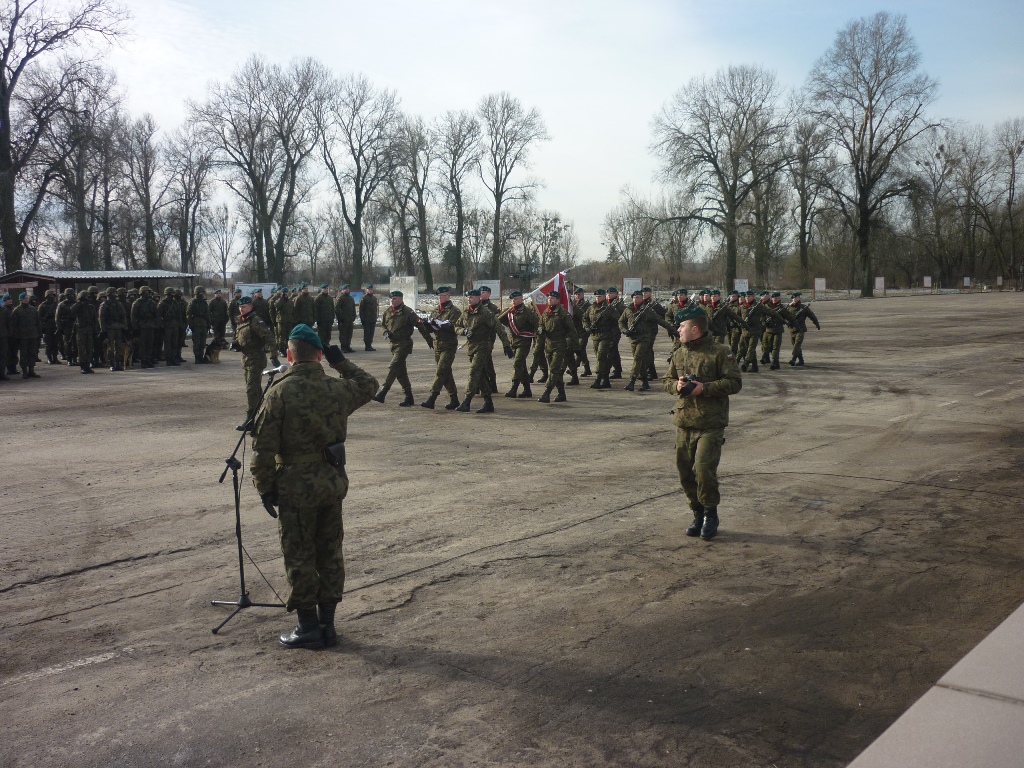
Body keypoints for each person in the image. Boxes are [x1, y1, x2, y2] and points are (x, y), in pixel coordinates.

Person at [250, 323, 379, 649]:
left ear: (289, 355)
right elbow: (369, 384)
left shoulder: (279, 392)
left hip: (294, 487)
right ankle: (328, 625)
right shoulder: (337, 388)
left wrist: (265, 488)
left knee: (299, 555)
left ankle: (308, 627)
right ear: (320, 355)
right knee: (330, 553)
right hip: (331, 483)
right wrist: (341, 362)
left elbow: (263, 450)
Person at [664, 305, 742, 541]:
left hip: (710, 422)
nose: (678, 330)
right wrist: (676, 386)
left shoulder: (720, 352)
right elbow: (667, 380)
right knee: (685, 472)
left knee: (703, 470)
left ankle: (710, 514)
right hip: (684, 422)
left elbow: (734, 382)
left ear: (695, 329)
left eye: (682, 326)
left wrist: (704, 388)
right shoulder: (679, 353)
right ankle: (697, 513)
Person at [453, 288, 511, 413]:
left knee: (474, 372)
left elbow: (499, 328)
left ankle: (466, 401)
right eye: (468, 297)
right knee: (481, 375)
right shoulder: (466, 312)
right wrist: (463, 331)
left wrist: (506, 345)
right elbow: (456, 326)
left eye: (472, 297)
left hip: (483, 347)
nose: (469, 299)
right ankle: (488, 403)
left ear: (478, 298)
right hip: (471, 347)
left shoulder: (486, 313)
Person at [372, 290, 433, 406]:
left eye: (394, 298)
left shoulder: (408, 312)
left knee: (394, 366)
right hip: (393, 345)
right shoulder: (388, 311)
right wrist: (385, 331)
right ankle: (409, 397)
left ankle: (383, 392)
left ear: (400, 299)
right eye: (391, 299)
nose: (392, 300)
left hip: (404, 344)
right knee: (400, 372)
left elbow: (420, 325)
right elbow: (382, 325)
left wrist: (430, 341)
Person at [619, 290, 673, 392]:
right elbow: (621, 321)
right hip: (633, 338)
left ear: (641, 299)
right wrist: (624, 330)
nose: (636, 299)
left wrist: (673, 331)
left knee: (638, 357)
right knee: (640, 361)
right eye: (634, 297)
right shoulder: (628, 310)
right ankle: (645, 382)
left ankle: (632, 381)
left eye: (638, 297)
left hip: (644, 338)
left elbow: (660, 321)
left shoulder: (647, 310)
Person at [420, 285, 462, 410]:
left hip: (449, 345)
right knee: (446, 373)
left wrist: (441, 325)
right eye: (439, 296)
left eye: (443, 296)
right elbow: (431, 329)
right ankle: (454, 399)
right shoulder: (435, 311)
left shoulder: (455, 311)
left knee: (441, 371)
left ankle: (432, 398)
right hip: (438, 344)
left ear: (448, 296)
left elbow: (455, 327)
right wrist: (427, 325)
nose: (440, 298)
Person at [235, 295, 273, 430]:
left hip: (256, 359)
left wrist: (274, 355)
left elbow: (269, 337)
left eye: (244, 307)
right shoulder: (241, 321)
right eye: (240, 307)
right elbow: (242, 337)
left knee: (251, 389)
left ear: (250, 307)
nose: (241, 309)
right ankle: (265, 413)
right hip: (246, 359)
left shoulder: (256, 320)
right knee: (255, 389)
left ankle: (250, 419)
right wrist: (236, 344)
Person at [536, 290, 578, 403]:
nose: (550, 300)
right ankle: (561, 393)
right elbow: (541, 323)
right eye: (549, 298)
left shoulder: (563, 313)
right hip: (549, 345)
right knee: (556, 371)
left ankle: (547, 393)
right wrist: (540, 329)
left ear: (558, 300)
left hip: (560, 344)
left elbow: (572, 330)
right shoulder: (546, 312)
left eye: (552, 298)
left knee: (554, 369)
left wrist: (574, 345)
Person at [498, 289, 539, 398]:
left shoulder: (527, 312)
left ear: (521, 299)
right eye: (512, 299)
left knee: (517, 363)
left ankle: (514, 388)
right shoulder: (509, 311)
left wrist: (537, 340)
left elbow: (537, 325)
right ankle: (527, 389)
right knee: (521, 365)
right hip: (514, 342)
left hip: (524, 341)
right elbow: (498, 321)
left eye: (516, 299)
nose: (513, 301)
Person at [583, 289, 618, 389]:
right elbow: (585, 319)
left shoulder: (610, 308)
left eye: (600, 296)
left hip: (606, 336)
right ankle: (606, 379)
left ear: (604, 297)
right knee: (601, 359)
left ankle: (598, 379)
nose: (598, 298)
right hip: (595, 336)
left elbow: (618, 321)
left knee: (601, 356)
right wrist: (586, 327)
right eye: (596, 296)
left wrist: (614, 334)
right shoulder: (591, 308)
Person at [10, 292, 41, 379]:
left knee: (32, 353)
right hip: (22, 336)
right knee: (24, 354)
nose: (26, 300)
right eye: (24, 298)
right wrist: (16, 336)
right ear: (21, 300)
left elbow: (38, 322)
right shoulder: (17, 310)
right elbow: (13, 325)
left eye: (27, 298)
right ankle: (24, 371)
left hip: (33, 335)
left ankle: (31, 370)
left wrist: (39, 334)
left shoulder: (33, 310)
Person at [787, 292, 820, 366]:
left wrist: (816, 324)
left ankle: (793, 359)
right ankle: (801, 360)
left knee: (797, 344)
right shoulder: (789, 308)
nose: (794, 299)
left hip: (800, 328)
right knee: (795, 345)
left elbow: (812, 316)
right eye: (793, 298)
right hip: (792, 329)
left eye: (796, 297)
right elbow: (784, 316)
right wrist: (787, 322)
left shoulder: (803, 308)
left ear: (799, 298)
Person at [99, 287, 127, 371]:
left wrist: (124, 326)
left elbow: (123, 316)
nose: (115, 294)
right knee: (110, 347)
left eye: (115, 292)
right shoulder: (105, 304)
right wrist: (103, 329)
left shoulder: (119, 304)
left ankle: (118, 363)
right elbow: (101, 317)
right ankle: (112, 363)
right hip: (109, 328)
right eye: (113, 293)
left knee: (119, 346)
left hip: (118, 327)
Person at [71, 290, 98, 374]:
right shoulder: (78, 306)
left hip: (89, 329)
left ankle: (88, 365)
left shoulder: (91, 307)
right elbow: (72, 310)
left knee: (89, 348)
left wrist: (96, 330)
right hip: (81, 329)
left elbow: (95, 319)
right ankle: (83, 366)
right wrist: (79, 302)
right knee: (81, 349)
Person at [131, 286, 159, 368]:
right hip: (142, 326)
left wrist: (156, 325)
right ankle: (143, 361)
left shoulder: (152, 303)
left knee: (150, 344)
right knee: (142, 345)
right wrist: (135, 327)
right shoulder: (137, 303)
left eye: (148, 292)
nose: (147, 293)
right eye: (145, 292)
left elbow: (156, 315)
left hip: (151, 326)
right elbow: (133, 316)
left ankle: (149, 359)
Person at [188, 286, 212, 364]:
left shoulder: (204, 302)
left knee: (203, 342)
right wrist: (191, 325)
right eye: (200, 293)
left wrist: (209, 324)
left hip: (204, 324)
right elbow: (189, 314)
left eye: (202, 293)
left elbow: (207, 314)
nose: (202, 294)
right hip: (196, 324)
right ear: (196, 293)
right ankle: (197, 357)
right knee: (197, 342)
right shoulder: (193, 302)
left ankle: (201, 357)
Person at [332, 284, 356, 352]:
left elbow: (353, 308)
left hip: (350, 319)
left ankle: (348, 346)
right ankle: (343, 347)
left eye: (348, 288)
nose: (347, 290)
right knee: (343, 334)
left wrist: (353, 316)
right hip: (343, 320)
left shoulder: (351, 298)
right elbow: (336, 308)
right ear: (342, 290)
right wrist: (340, 318)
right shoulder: (340, 298)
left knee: (349, 333)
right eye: (345, 289)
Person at [38, 289, 59, 364]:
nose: (52, 297)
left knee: (55, 343)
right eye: (50, 296)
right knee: (48, 344)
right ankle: (49, 358)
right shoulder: (42, 306)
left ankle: (55, 357)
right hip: (47, 327)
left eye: (53, 296)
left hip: (55, 326)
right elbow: (39, 318)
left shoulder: (56, 305)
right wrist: (42, 327)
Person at [208, 288, 229, 361]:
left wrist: (226, 319)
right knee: (216, 334)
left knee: (222, 333)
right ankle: (215, 345)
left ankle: (222, 345)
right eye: (217, 293)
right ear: (215, 294)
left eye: (219, 293)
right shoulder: (212, 302)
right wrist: (211, 320)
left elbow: (226, 311)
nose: (218, 294)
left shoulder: (223, 302)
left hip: (222, 320)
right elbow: (209, 312)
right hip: (215, 321)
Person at [313, 283, 335, 348]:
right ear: (322, 289)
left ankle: (327, 345)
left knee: (328, 334)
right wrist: (317, 319)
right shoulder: (318, 298)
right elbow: (315, 309)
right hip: (322, 320)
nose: (326, 289)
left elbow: (332, 309)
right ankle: (322, 347)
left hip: (329, 319)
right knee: (322, 335)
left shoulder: (330, 298)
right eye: (324, 288)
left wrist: (332, 318)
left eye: (327, 288)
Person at [357, 284, 378, 351]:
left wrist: (376, 316)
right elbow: (361, 309)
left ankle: (370, 344)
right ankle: (367, 345)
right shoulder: (364, 298)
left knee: (371, 332)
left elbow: (376, 308)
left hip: (373, 318)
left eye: (371, 289)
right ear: (366, 290)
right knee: (367, 332)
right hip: (366, 318)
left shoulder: (374, 298)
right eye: (369, 289)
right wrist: (362, 318)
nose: (370, 291)